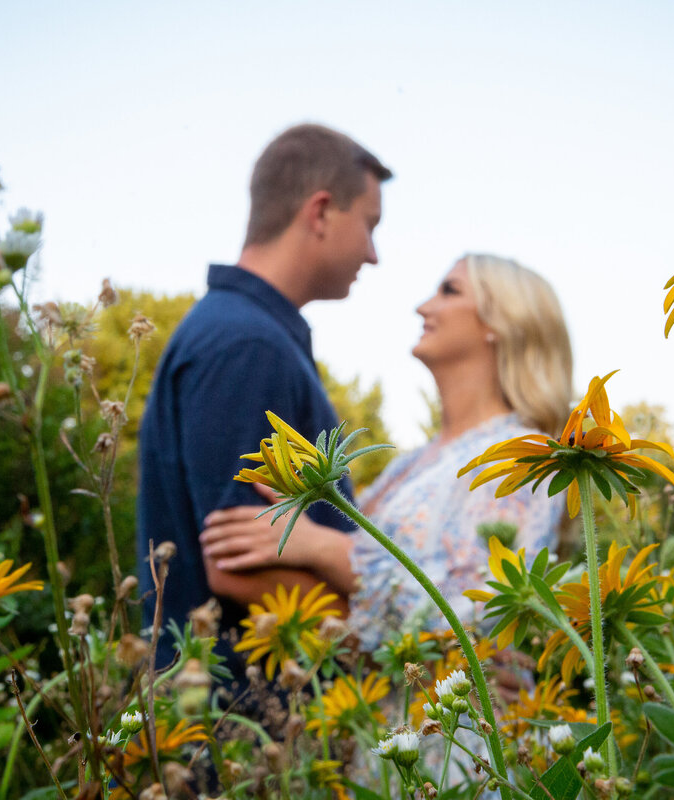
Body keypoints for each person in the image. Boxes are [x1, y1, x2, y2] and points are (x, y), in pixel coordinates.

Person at [199, 254, 574, 650]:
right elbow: (399, 622)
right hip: (394, 700)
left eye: (450, 290)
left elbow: (480, 616)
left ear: (503, 322)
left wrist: (321, 547)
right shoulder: (409, 465)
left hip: (458, 708)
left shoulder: (524, 454)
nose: (423, 306)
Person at [137, 123, 392, 677]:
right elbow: (240, 565)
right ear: (321, 212)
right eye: (369, 225)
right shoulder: (246, 345)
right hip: (234, 724)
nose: (373, 254)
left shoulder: (247, 334)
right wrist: (397, 649)